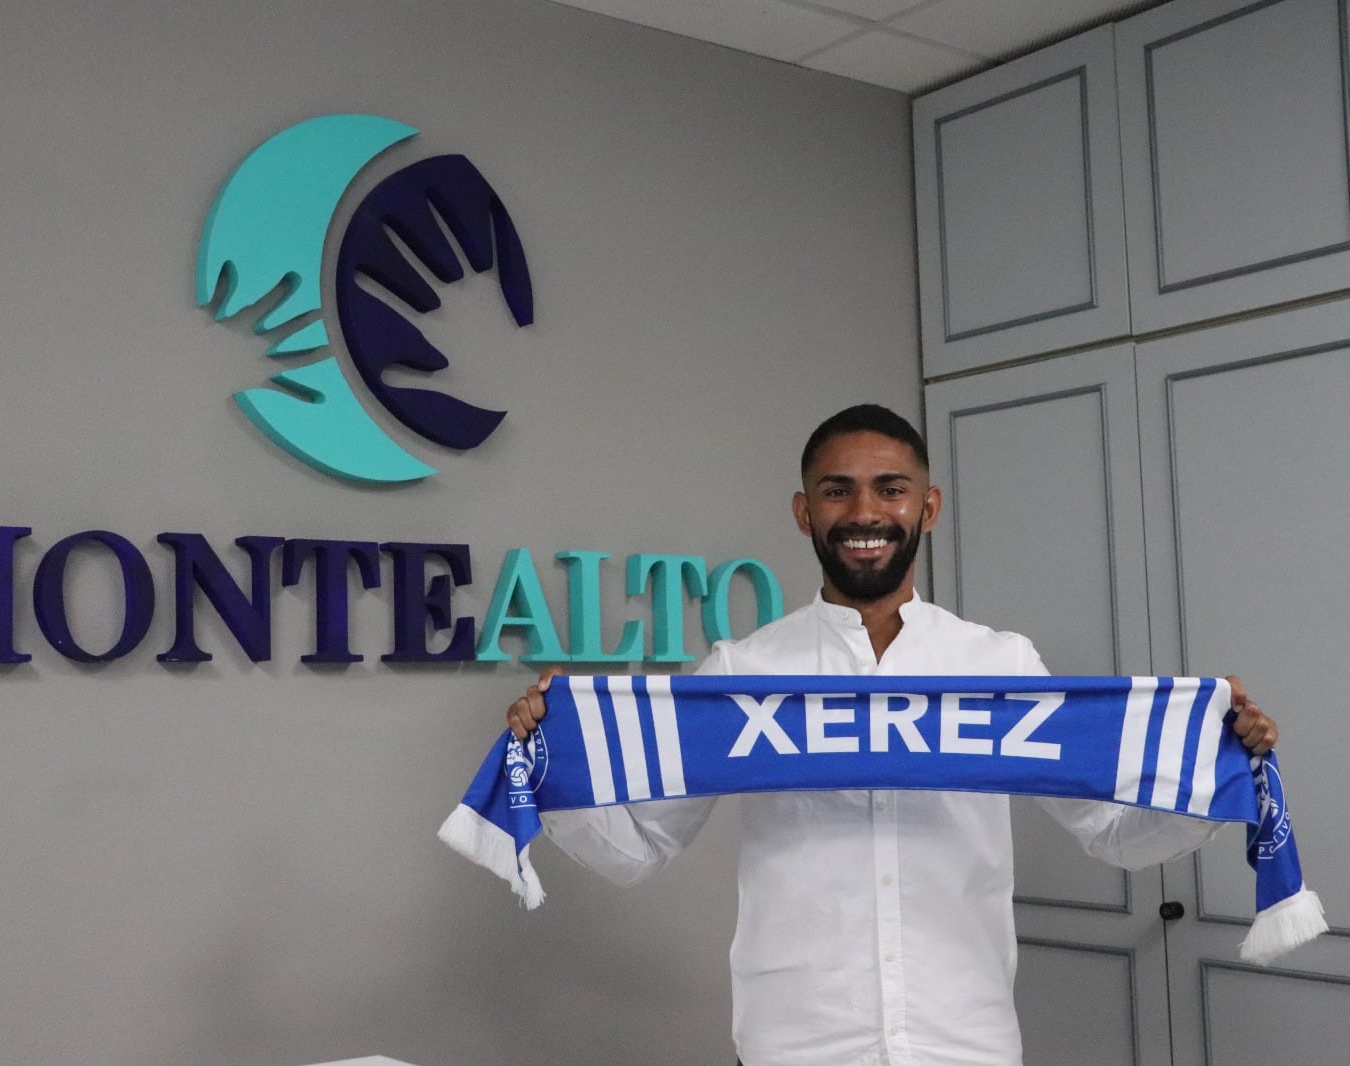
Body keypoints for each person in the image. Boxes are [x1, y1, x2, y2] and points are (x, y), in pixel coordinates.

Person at [505, 404, 1278, 1066]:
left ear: (928, 508)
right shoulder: (739, 671)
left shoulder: (1000, 664)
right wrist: (550, 773)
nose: (864, 513)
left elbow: (1114, 835)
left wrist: (1216, 772)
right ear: (805, 512)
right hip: (794, 1045)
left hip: (962, 1042)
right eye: (837, 491)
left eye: (890, 489)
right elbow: (641, 848)